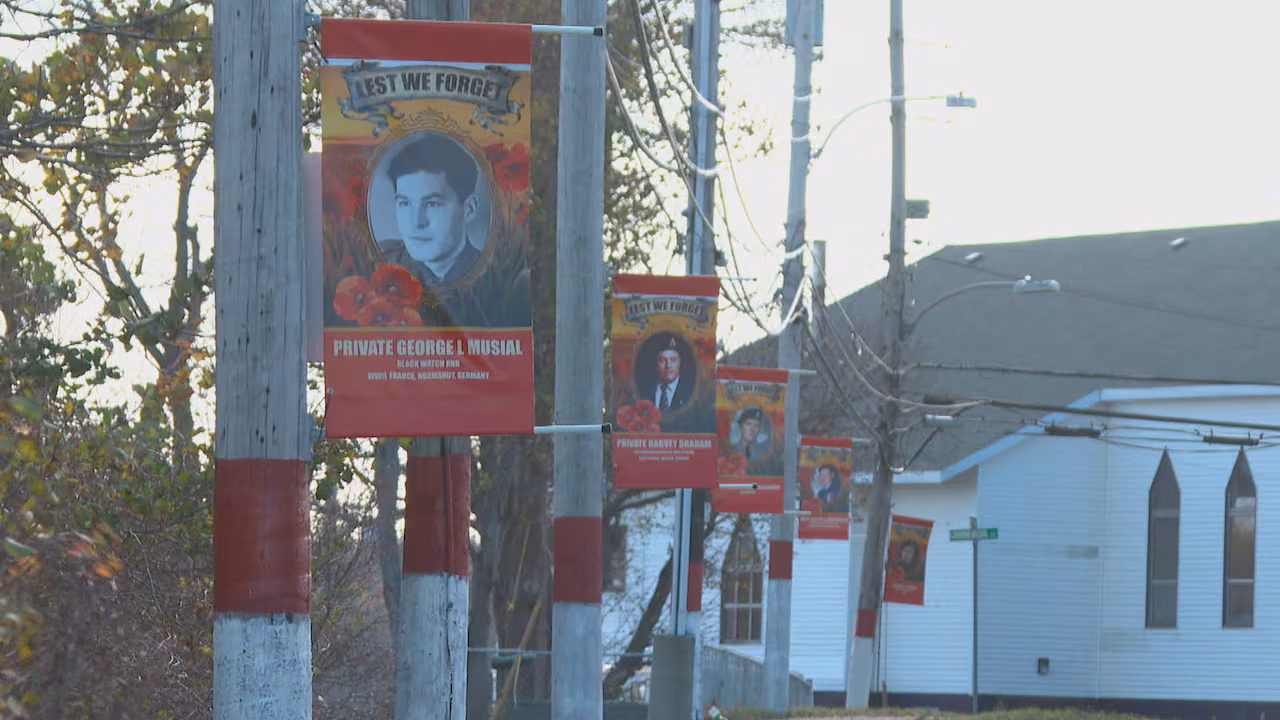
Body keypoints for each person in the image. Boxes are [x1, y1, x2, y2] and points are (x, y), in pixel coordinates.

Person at [377, 132, 483, 286]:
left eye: (432, 204)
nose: (417, 222)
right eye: (405, 203)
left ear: (469, 209)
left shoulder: (497, 274)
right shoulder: (375, 264)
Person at [639, 333, 693, 414]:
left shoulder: (690, 392)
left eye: (673, 360)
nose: (668, 365)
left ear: (680, 362)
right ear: (656, 364)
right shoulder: (644, 391)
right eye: (662, 360)